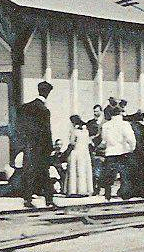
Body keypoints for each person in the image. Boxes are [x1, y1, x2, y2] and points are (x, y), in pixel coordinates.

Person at [17, 81, 56, 209]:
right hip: (41, 148)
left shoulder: (25, 107)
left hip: (28, 146)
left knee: (29, 172)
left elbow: (20, 127)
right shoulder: (45, 110)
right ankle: (49, 200)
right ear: (48, 93)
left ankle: (27, 200)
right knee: (45, 173)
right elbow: (47, 131)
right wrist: (50, 148)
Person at [99, 103, 136, 200]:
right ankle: (125, 194)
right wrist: (132, 148)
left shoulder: (106, 125)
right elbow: (130, 138)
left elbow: (104, 140)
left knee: (109, 174)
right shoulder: (124, 124)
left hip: (110, 152)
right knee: (124, 174)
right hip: (122, 152)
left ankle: (107, 195)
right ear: (120, 113)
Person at [65, 115, 93, 197]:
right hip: (84, 152)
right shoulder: (85, 131)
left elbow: (72, 143)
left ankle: (74, 190)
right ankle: (83, 189)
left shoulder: (74, 131)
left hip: (76, 151)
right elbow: (88, 142)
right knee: (83, 170)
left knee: (74, 170)